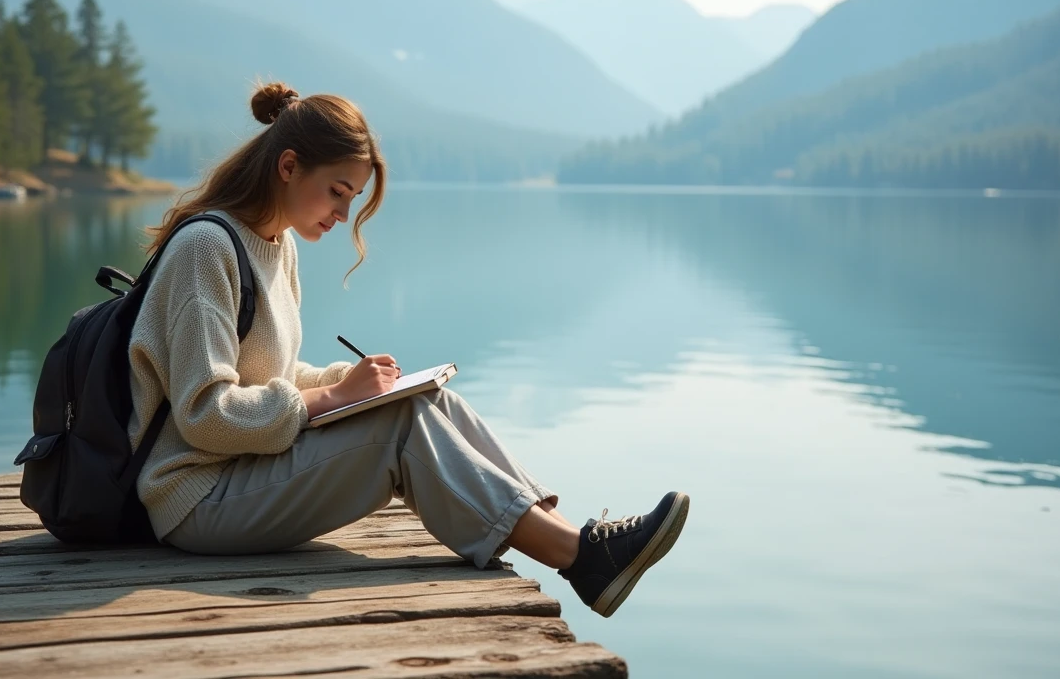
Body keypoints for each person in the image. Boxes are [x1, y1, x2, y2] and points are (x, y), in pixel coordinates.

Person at [126, 81, 689, 617]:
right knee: (397, 427)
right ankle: (582, 558)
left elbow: (266, 372)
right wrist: (333, 399)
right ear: (289, 166)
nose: (343, 214)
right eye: (338, 192)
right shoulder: (206, 248)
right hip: (195, 499)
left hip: (244, 472)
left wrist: (352, 382)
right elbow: (205, 413)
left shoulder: (277, 247)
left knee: (422, 399)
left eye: (353, 198)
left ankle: (570, 536)